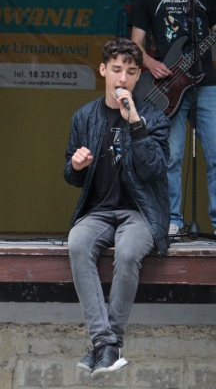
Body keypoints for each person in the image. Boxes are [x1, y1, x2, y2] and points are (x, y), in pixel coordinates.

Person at [63, 38, 170, 379]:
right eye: (117, 70)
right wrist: (76, 165)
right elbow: (70, 175)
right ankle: (106, 344)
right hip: (98, 210)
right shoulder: (84, 116)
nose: (123, 78)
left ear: (139, 76)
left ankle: (108, 345)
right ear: (103, 70)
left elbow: (154, 170)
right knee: (78, 242)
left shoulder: (154, 117)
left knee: (127, 252)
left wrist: (135, 122)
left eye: (131, 71)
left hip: (140, 212)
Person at [129, 0, 216, 235]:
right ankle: (173, 221)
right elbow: (135, 44)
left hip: (206, 83)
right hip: (166, 85)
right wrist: (151, 63)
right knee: (171, 155)